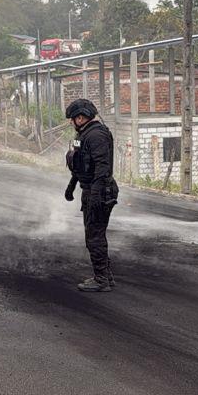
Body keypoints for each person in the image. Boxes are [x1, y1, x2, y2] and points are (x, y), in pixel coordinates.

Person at [64, 98, 118, 292]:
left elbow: (102, 169)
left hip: (100, 192)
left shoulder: (96, 136)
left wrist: (95, 196)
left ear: (80, 118)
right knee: (95, 234)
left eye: (72, 118)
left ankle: (101, 279)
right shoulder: (84, 135)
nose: (71, 122)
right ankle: (106, 276)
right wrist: (71, 186)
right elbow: (81, 165)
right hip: (92, 190)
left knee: (94, 237)